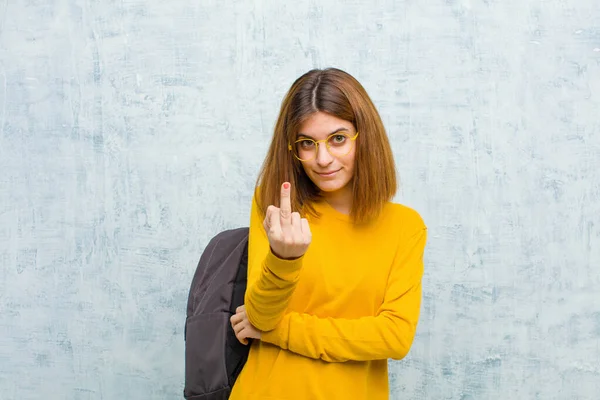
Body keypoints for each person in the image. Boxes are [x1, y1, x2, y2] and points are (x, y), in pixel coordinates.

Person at [229, 67, 428, 400]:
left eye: (338, 139)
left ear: (365, 136)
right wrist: (284, 257)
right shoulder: (277, 204)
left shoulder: (405, 226)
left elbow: (394, 337)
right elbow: (260, 312)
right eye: (307, 143)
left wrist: (279, 330)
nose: (322, 159)